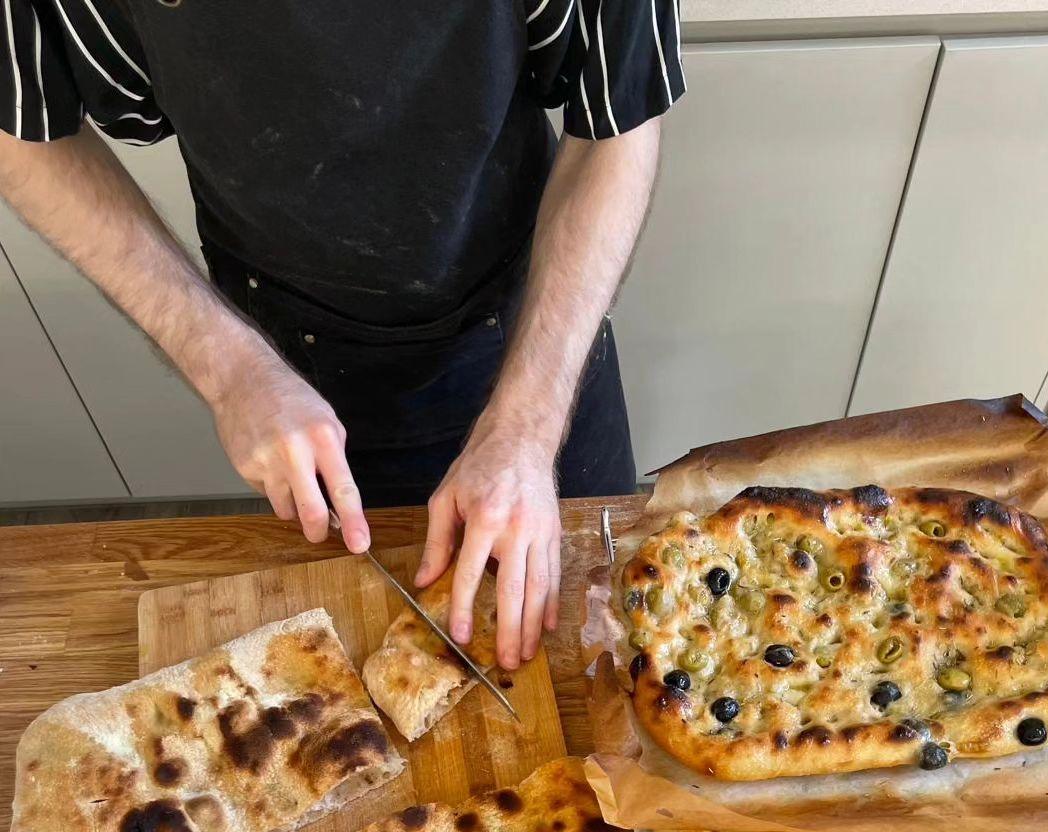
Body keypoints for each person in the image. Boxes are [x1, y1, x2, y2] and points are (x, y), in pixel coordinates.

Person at [0, 0, 684, 669]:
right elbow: (23, 130)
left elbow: (615, 121)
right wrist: (231, 369)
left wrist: (527, 429)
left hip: (535, 317)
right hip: (289, 351)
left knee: (613, 634)